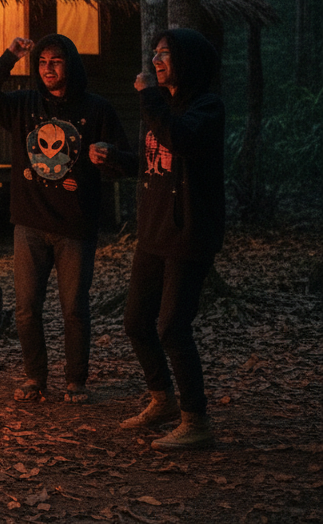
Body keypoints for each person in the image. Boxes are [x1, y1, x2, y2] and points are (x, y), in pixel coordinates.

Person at [0, 33, 135, 403]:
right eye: (43, 62)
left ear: (70, 65)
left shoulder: (97, 109)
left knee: (74, 309)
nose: (48, 68)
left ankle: (76, 381)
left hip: (75, 227)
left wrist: (109, 156)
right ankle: (35, 378)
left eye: (56, 61)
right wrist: (9, 57)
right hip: (29, 224)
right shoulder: (24, 104)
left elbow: (130, 163)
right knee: (26, 310)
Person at [122, 28, 225, 451]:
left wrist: (149, 97)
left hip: (189, 233)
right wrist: (115, 159)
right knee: (136, 321)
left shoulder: (207, 108)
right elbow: (154, 160)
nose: (156, 61)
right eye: (155, 53)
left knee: (172, 326)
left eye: (165, 53)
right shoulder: (163, 106)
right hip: (154, 232)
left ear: (188, 61)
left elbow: (179, 140)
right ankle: (161, 399)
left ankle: (195, 419)